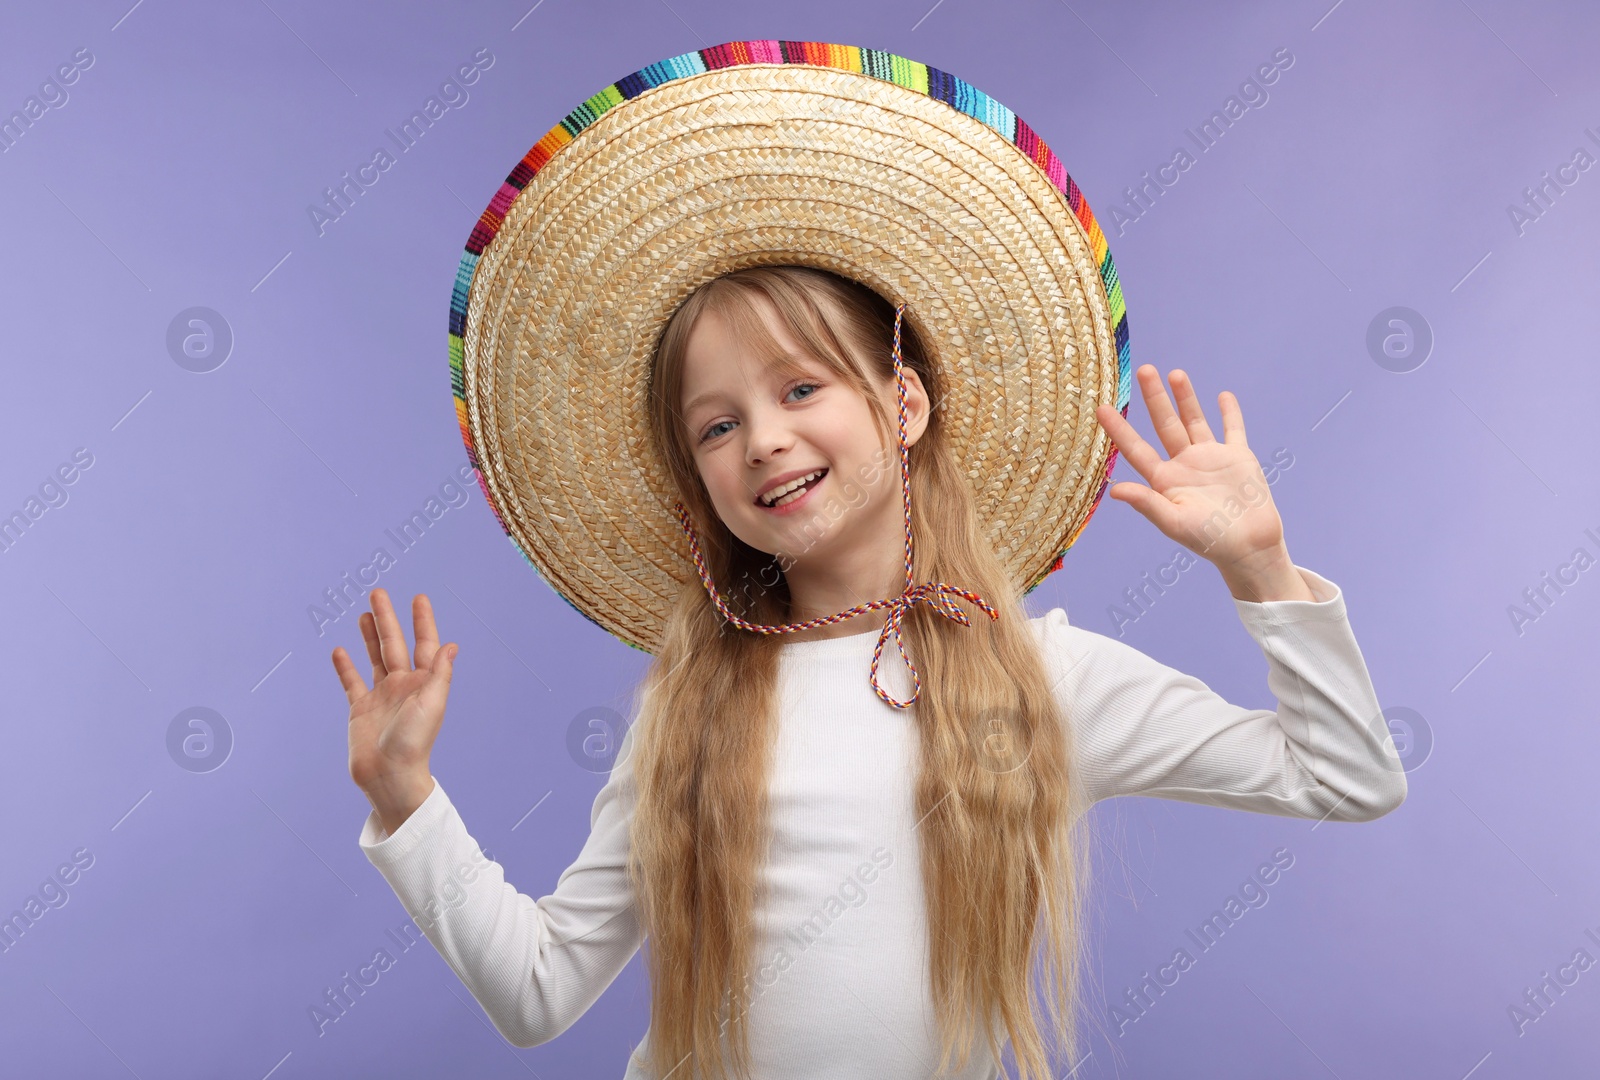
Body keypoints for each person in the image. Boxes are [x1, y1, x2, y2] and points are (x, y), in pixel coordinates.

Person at [330, 41, 1407, 1080]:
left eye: (801, 389)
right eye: (716, 426)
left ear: (902, 404)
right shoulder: (690, 710)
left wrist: (1257, 570)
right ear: (697, 478)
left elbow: (1346, 776)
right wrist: (404, 798)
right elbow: (536, 992)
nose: (763, 439)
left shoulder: (1047, 683)